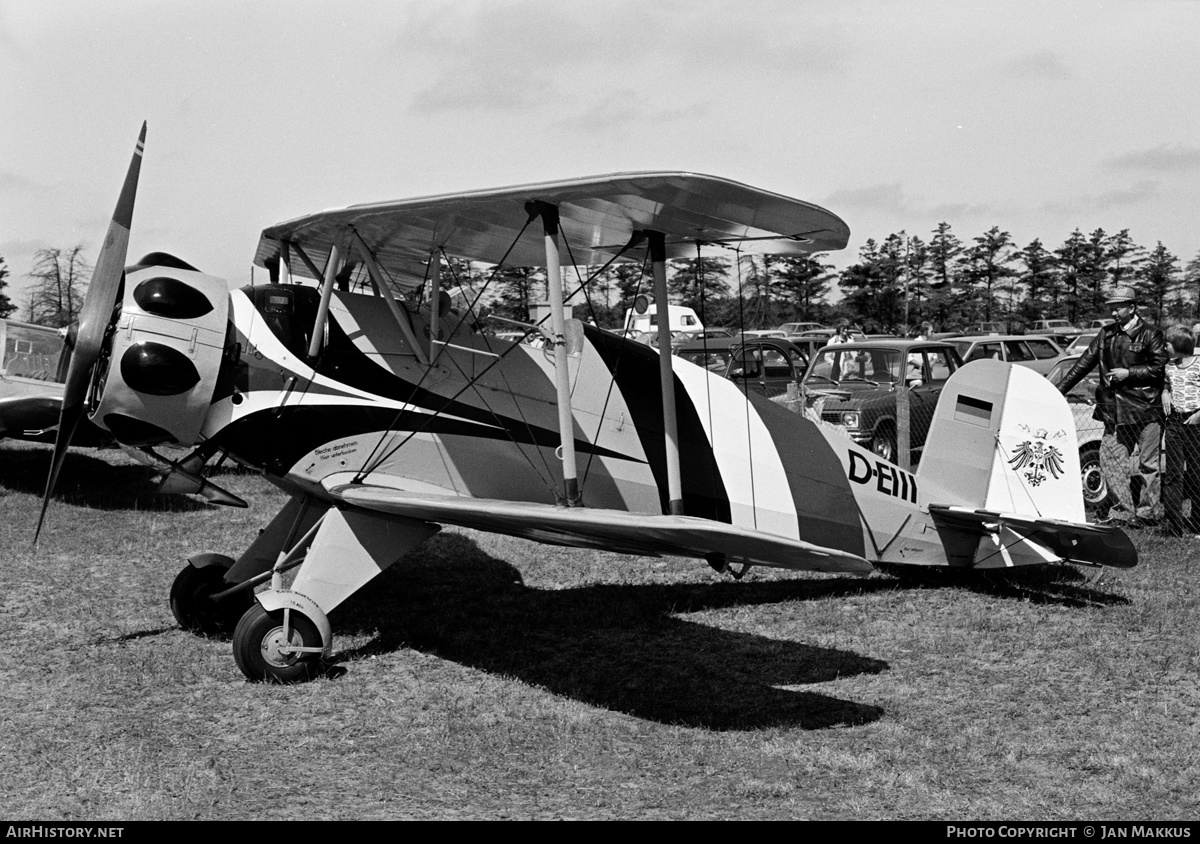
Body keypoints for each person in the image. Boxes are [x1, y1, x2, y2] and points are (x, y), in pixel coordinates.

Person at [1055, 286, 1167, 527]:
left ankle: (1148, 514)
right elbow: (1083, 364)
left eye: (1118, 308)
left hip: (1146, 409)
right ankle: (1123, 512)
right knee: (1111, 461)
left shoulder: (1152, 334)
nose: (1114, 313)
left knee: (1149, 465)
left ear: (1132, 308)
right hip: (1114, 411)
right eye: (1112, 309)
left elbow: (1159, 369)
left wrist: (1130, 373)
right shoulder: (1105, 334)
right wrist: (1056, 391)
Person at [1162, 324, 1200, 536]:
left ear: (1178, 346)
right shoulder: (1169, 366)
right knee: (1173, 475)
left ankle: (1197, 523)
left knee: (1196, 474)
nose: (1164, 347)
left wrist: (1198, 415)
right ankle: (1174, 526)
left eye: (1167, 344)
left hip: (1195, 423)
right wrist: (1164, 393)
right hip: (1175, 424)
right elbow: (1166, 386)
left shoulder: (1198, 365)